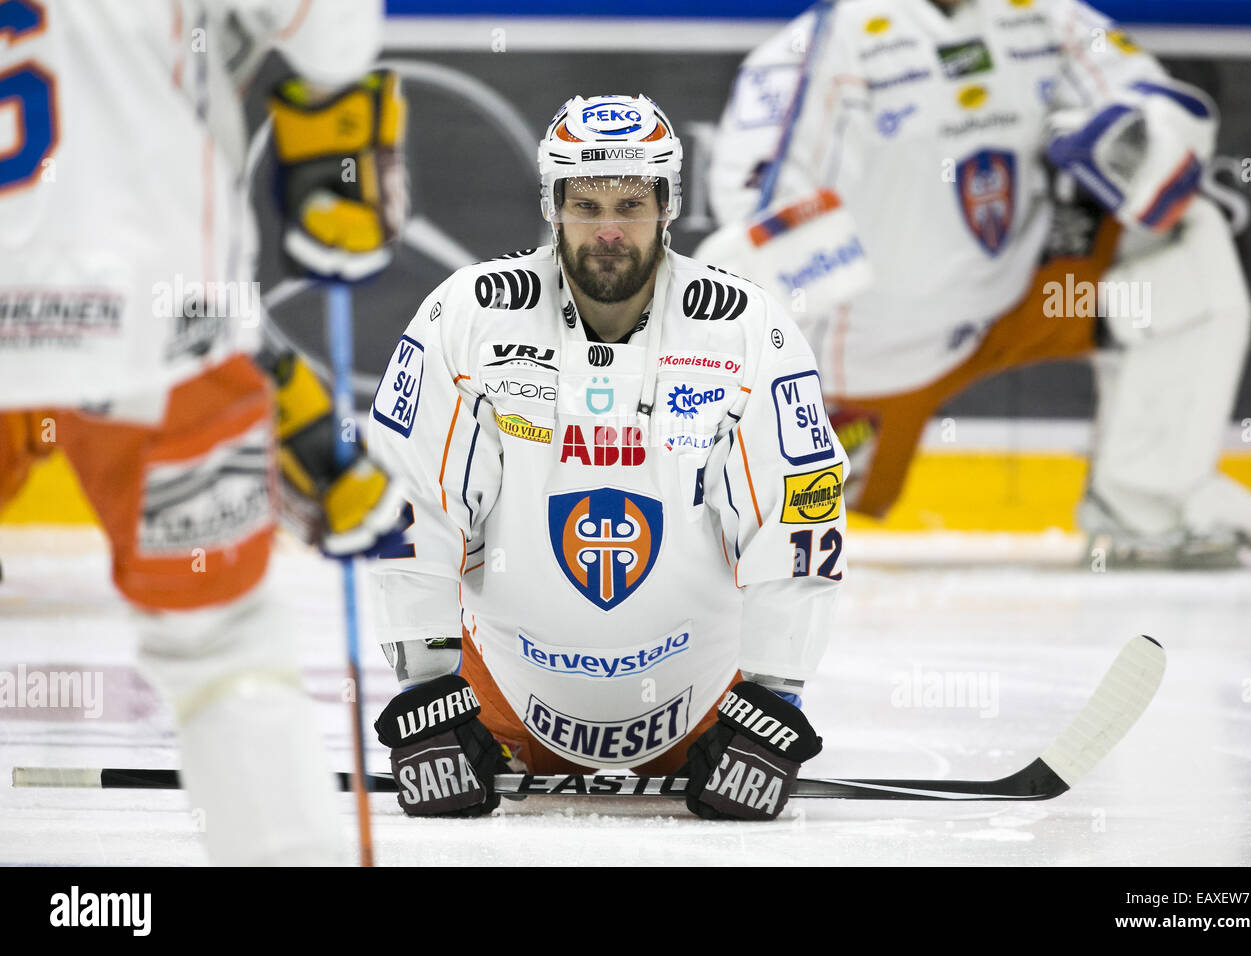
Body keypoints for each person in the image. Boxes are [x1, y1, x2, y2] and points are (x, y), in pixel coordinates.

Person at [0, 0, 407, 864]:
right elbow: (330, 29)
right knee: (218, 641)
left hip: (137, 318)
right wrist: (332, 122)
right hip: (146, 328)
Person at [366, 94, 847, 821]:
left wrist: (772, 704)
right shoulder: (467, 317)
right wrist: (426, 694)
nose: (610, 231)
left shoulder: (748, 331)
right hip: (497, 716)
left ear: (668, 204)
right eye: (586, 205)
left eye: (632, 204)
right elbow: (408, 496)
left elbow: (801, 511)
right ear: (552, 205)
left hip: (712, 720)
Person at [705, 0, 1251, 566]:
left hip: (1010, 312)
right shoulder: (818, 50)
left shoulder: (1045, 15)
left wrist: (1133, 147)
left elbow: (1161, 104)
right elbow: (758, 231)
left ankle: (1146, 509)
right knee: (764, 543)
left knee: (1190, 240)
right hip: (863, 375)